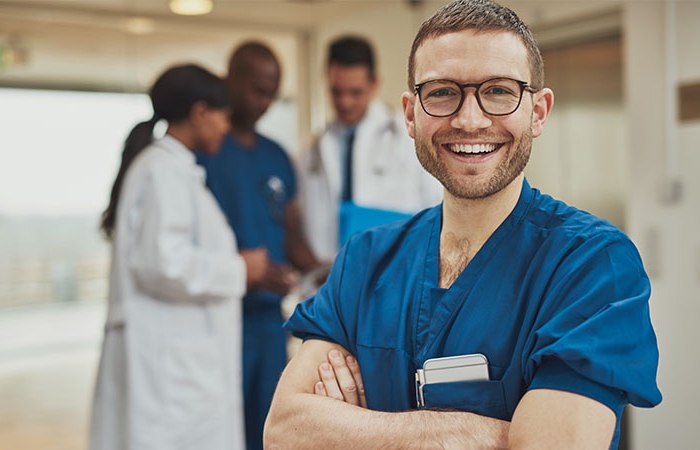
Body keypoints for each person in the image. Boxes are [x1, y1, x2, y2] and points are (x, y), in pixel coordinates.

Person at [264, 1, 663, 449]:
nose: (470, 120)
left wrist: (353, 430)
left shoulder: (592, 265)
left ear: (538, 111)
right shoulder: (366, 259)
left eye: (498, 91)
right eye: (441, 92)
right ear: (411, 114)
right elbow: (285, 431)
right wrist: (465, 431)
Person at [90, 63, 268, 450]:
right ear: (200, 112)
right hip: (169, 366)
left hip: (177, 359)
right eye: (222, 116)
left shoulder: (173, 169)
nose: (225, 127)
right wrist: (241, 268)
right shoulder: (162, 172)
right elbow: (163, 263)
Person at [196, 41, 322, 450]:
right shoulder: (204, 151)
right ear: (230, 79)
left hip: (268, 323)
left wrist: (330, 271)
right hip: (215, 320)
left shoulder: (277, 158)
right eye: (257, 90)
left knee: (268, 430)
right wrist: (239, 270)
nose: (265, 102)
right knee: (216, 432)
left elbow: (291, 234)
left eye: (273, 92)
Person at [297, 35, 441, 262]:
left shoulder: (408, 137)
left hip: (396, 270)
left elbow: (437, 210)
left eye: (355, 92)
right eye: (337, 91)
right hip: (330, 277)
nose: (345, 102)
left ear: (374, 83)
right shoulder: (312, 151)